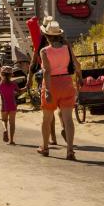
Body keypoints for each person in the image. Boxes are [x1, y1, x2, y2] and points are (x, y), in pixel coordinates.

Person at [37, 21, 78, 160]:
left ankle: (45, 147)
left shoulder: (44, 51)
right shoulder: (67, 47)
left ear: (47, 35)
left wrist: (47, 90)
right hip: (66, 82)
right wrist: (80, 78)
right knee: (68, 120)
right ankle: (70, 150)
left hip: (52, 83)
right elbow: (76, 64)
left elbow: (47, 71)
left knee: (47, 119)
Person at [0, 67, 19, 145]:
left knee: (4, 120)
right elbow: (19, 91)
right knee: (12, 123)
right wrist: (26, 87)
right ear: (11, 75)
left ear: (1, 74)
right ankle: (11, 140)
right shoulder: (13, 84)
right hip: (13, 105)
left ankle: (5, 129)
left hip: (4, 106)